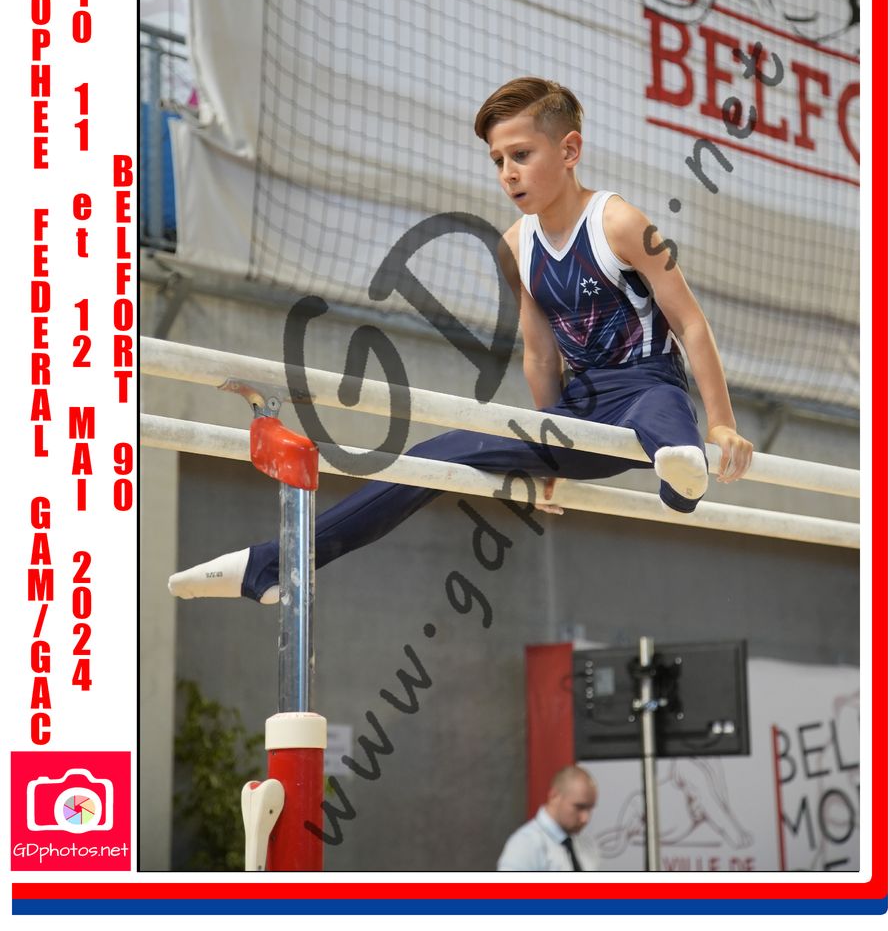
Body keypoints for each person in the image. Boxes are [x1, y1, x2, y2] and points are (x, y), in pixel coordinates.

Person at [169, 77, 752, 604]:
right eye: (498, 160)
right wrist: (550, 450)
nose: (508, 173)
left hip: (648, 387)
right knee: (435, 454)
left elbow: (690, 323)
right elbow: (540, 354)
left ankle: (682, 482)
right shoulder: (515, 247)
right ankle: (272, 565)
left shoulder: (620, 223)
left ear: (569, 151)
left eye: (521, 155)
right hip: (581, 409)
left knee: (666, 422)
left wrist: (722, 423)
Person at [497, 765, 601, 871]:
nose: (585, 818)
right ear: (554, 796)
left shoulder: (588, 845)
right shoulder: (525, 845)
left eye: (590, 809)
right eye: (579, 807)